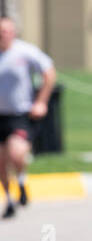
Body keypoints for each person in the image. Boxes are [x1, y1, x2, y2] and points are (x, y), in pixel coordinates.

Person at [0, 17, 56, 219]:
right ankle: (8, 199)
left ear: (13, 32)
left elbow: (49, 72)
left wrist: (41, 101)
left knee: (15, 153)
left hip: (19, 114)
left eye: (6, 30)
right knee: (1, 163)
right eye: (0, 31)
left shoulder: (24, 52)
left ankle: (21, 182)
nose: (3, 34)